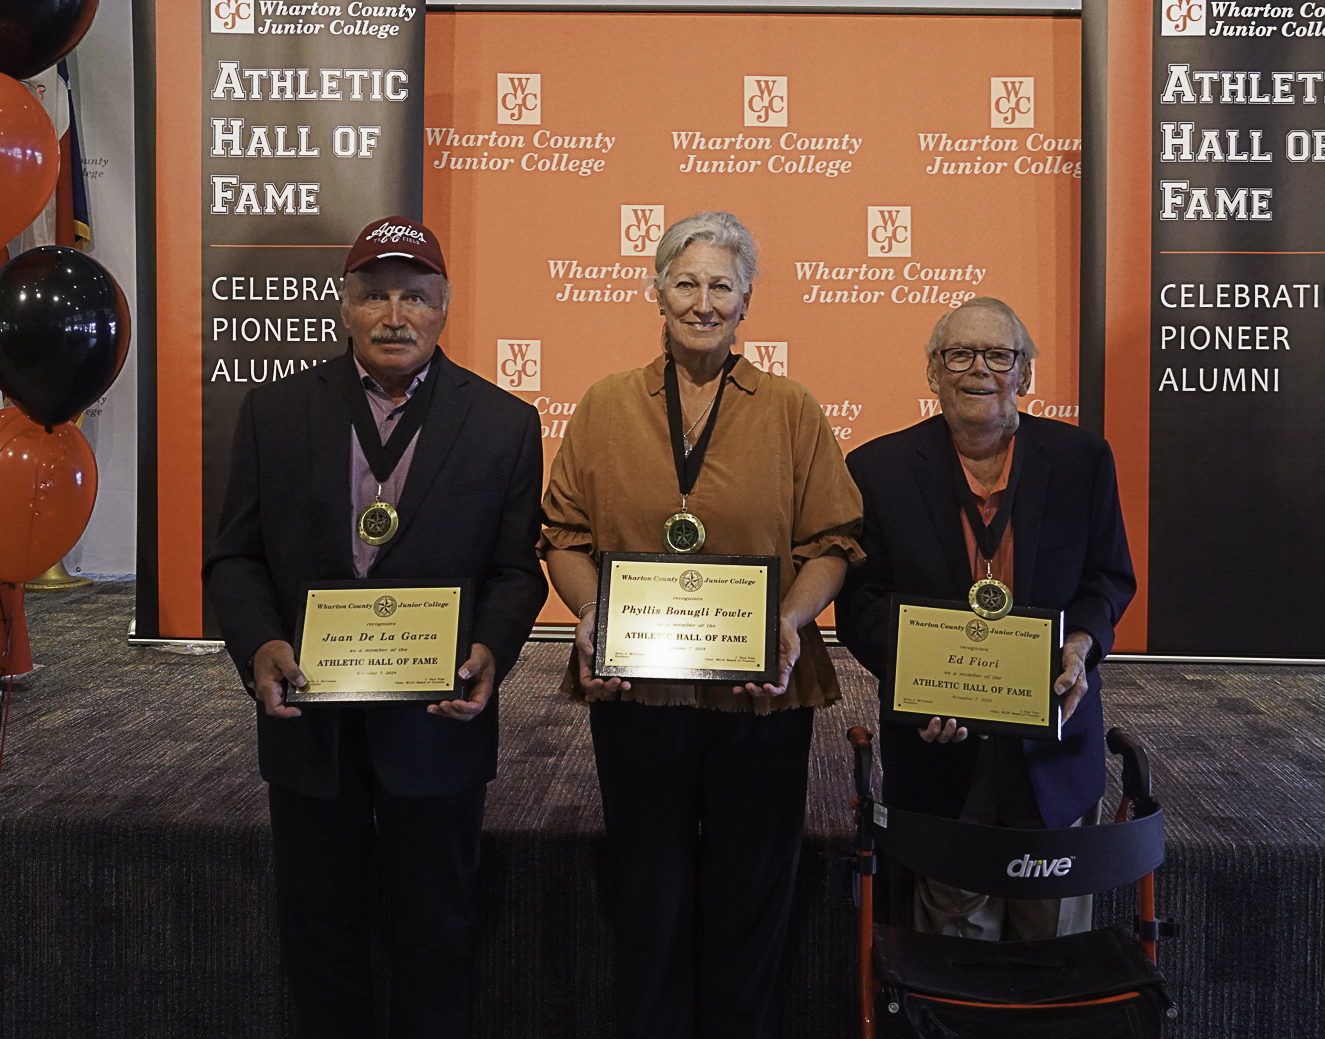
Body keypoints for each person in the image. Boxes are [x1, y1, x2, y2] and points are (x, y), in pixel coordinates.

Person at [205, 216, 547, 1038]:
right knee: (319, 933)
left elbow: (514, 571)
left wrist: (492, 647)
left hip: (436, 722)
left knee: (437, 930)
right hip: (309, 720)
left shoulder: (504, 423)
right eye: (376, 296)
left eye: (416, 297)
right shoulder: (275, 411)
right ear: (345, 307)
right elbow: (234, 559)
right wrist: (259, 645)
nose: (396, 314)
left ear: (445, 307)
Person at [540, 210, 863, 1039]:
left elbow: (832, 541)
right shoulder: (607, 403)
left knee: (751, 899)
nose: (704, 300)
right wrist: (588, 613)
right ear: (656, 291)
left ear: (747, 299)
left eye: (722, 284)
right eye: (687, 282)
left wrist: (791, 618)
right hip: (638, 691)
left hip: (761, 691)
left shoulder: (792, 407)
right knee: (646, 900)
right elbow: (564, 536)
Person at [837, 296, 1135, 942]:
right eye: (959, 355)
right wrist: (922, 681)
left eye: (999, 355)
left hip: (1054, 744)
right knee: (952, 947)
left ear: (1025, 374)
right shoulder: (877, 471)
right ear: (932, 371)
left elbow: (1108, 578)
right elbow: (860, 605)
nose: (979, 370)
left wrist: (1081, 645)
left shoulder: (1083, 461)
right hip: (938, 749)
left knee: (1051, 947)